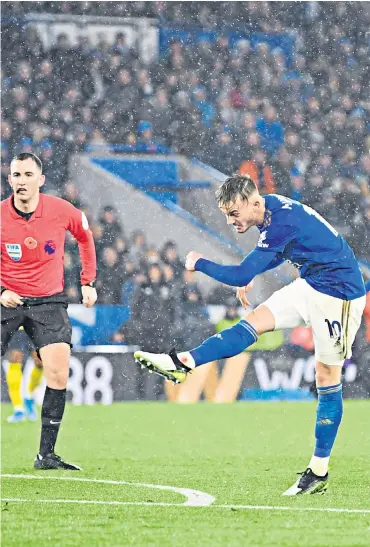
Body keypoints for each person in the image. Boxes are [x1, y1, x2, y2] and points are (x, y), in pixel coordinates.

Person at [135, 173, 366, 496]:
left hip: (339, 294)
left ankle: (318, 470)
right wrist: (251, 273)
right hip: (311, 283)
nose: (231, 221)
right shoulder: (269, 209)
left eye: (233, 214)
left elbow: (244, 269)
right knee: (253, 321)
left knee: (326, 375)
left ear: (253, 202)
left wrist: (198, 262)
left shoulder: (280, 219)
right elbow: (280, 251)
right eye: (226, 215)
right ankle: (184, 361)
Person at [1, 152, 97, 470]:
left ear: (40, 180)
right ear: (10, 179)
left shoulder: (60, 210)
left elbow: (85, 237)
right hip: (7, 300)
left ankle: (46, 455)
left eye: (28, 175)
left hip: (48, 302)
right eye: (16, 175)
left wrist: (88, 281)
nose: (21, 181)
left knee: (57, 372)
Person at [5, 327, 44, 423]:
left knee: (40, 361)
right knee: (14, 358)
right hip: (16, 323)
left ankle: (29, 398)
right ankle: (18, 409)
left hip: (35, 322)